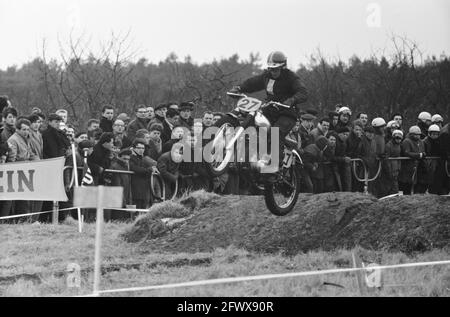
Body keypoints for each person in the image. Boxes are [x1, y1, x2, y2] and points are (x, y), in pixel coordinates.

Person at [229, 51, 308, 170]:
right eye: (271, 69)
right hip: (270, 109)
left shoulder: (291, 78)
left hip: (287, 113)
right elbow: (253, 83)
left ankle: (275, 165)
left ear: (283, 67)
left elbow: (303, 92)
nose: (273, 72)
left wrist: (291, 101)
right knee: (252, 121)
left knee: (276, 131)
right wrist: (239, 88)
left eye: (275, 69)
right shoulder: (266, 76)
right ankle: (243, 156)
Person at [399, 126, 427, 195]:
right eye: (415, 134)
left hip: (418, 167)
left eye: (418, 134)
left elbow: (423, 151)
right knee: (407, 186)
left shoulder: (421, 142)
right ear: (411, 134)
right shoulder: (406, 141)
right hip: (408, 167)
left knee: (418, 186)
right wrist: (419, 155)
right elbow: (407, 153)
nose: (417, 136)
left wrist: (423, 154)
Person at [385, 130, 403, 195]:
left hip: (396, 168)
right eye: (397, 138)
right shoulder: (389, 145)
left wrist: (399, 167)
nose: (398, 140)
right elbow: (387, 159)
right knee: (391, 186)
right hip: (391, 168)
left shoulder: (399, 145)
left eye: (400, 138)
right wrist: (389, 171)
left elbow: (399, 157)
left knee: (395, 186)